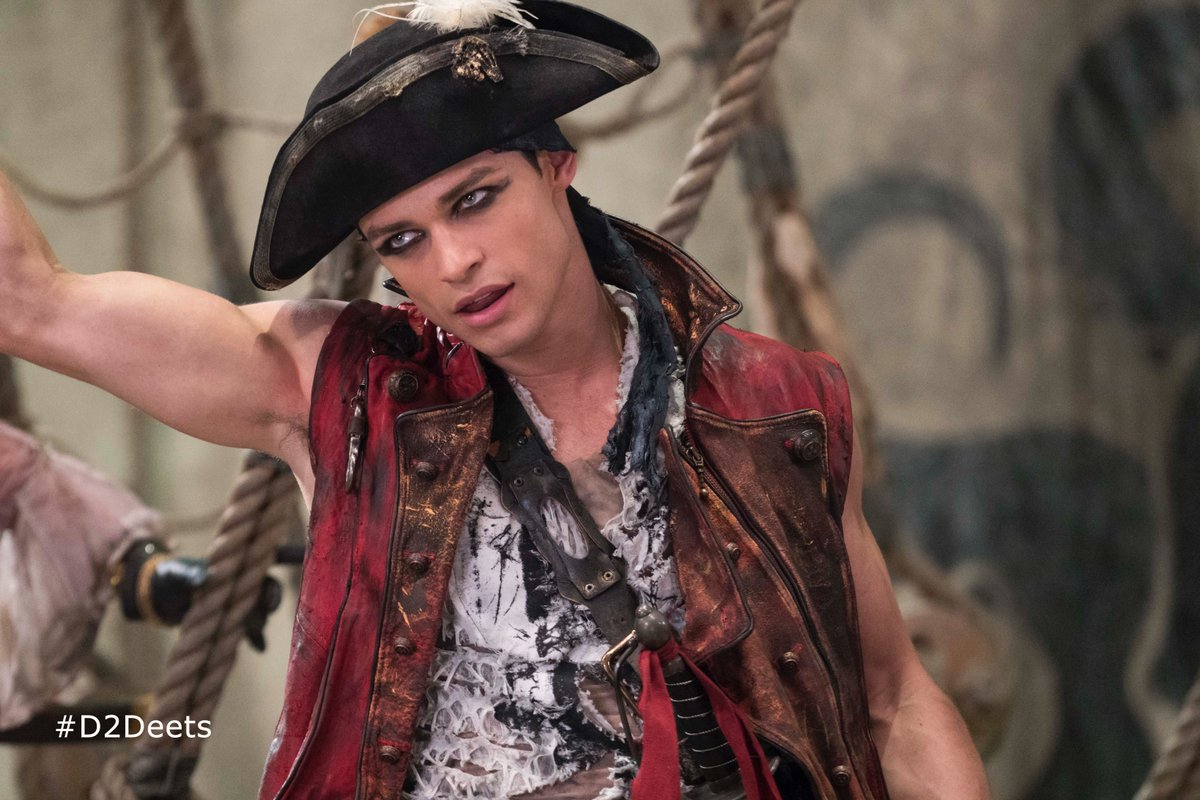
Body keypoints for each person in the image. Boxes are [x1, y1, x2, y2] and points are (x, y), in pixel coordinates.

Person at [0, 1, 990, 798]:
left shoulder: (774, 406)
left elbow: (893, 702)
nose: (454, 260)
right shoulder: (352, 392)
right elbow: (27, 299)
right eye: (403, 240)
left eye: (474, 199)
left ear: (557, 169)